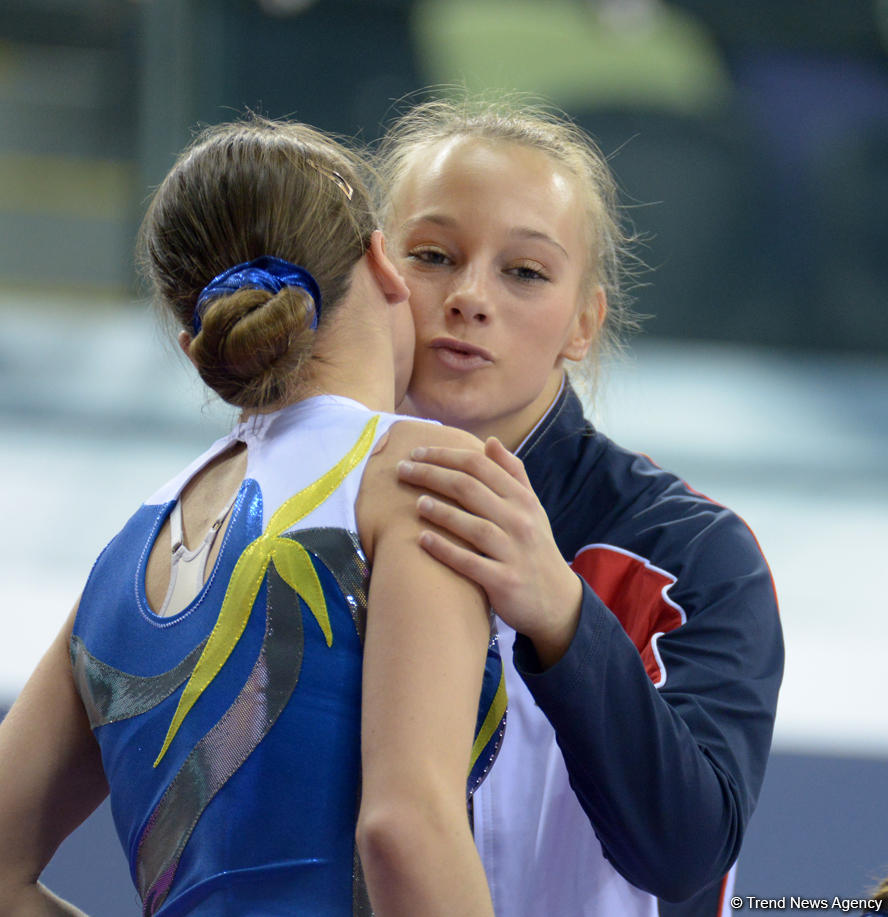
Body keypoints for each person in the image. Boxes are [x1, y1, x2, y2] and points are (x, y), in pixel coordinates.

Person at [0, 116, 501, 916]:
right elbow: (407, 828)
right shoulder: (416, 474)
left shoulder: (126, 550)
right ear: (382, 261)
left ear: (194, 329)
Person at [377, 94, 785, 915]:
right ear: (377, 276)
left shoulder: (693, 557)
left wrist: (562, 613)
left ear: (582, 323)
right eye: (431, 255)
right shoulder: (286, 514)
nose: (469, 296)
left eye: (524, 271)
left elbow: (684, 852)